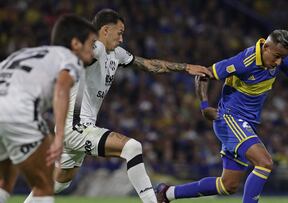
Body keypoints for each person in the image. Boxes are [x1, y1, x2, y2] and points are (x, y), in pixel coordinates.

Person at [23, 9, 212, 203]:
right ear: (105, 30)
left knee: (61, 181)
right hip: (76, 128)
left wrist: (186, 67)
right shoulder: (95, 48)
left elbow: (148, 64)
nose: (122, 39)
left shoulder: (117, 54)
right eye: (120, 33)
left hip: (79, 126)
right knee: (132, 147)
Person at [156, 30, 288, 203]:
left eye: (282, 57)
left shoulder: (281, 59)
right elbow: (203, 74)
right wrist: (204, 106)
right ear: (266, 47)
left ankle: (167, 193)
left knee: (228, 185)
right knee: (265, 162)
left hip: (246, 123)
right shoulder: (244, 61)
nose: (279, 62)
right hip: (229, 118)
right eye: (276, 56)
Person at [0, 14, 97, 203]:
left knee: (3, 182)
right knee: (44, 183)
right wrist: (59, 136)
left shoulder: (24, 54)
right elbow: (61, 88)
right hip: (19, 111)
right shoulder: (70, 58)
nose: (93, 51)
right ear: (76, 43)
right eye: (92, 44)